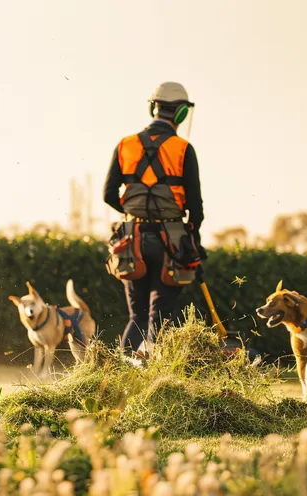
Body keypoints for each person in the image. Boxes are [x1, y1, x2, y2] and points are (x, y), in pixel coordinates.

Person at [102, 81, 206, 354]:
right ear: (182, 113)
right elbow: (196, 207)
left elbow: (108, 194)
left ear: (153, 107)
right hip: (171, 240)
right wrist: (193, 239)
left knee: (136, 317)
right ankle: (154, 378)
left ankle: (119, 375)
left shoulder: (125, 145)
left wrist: (133, 211)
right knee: (159, 318)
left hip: (131, 238)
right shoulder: (183, 149)